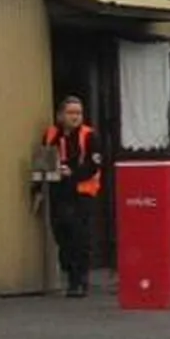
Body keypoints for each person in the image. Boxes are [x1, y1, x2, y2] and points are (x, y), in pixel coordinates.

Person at [40, 96, 104, 297]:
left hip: (82, 192)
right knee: (61, 234)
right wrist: (37, 189)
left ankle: (80, 280)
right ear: (60, 115)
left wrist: (73, 173)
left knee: (80, 236)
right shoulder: (51, 134)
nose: (75, 117)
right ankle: (70, 275)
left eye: (78, 113)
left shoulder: (89, 135)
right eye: (71, 113)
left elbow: (95, 164)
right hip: (59, 191)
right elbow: (43, 160)